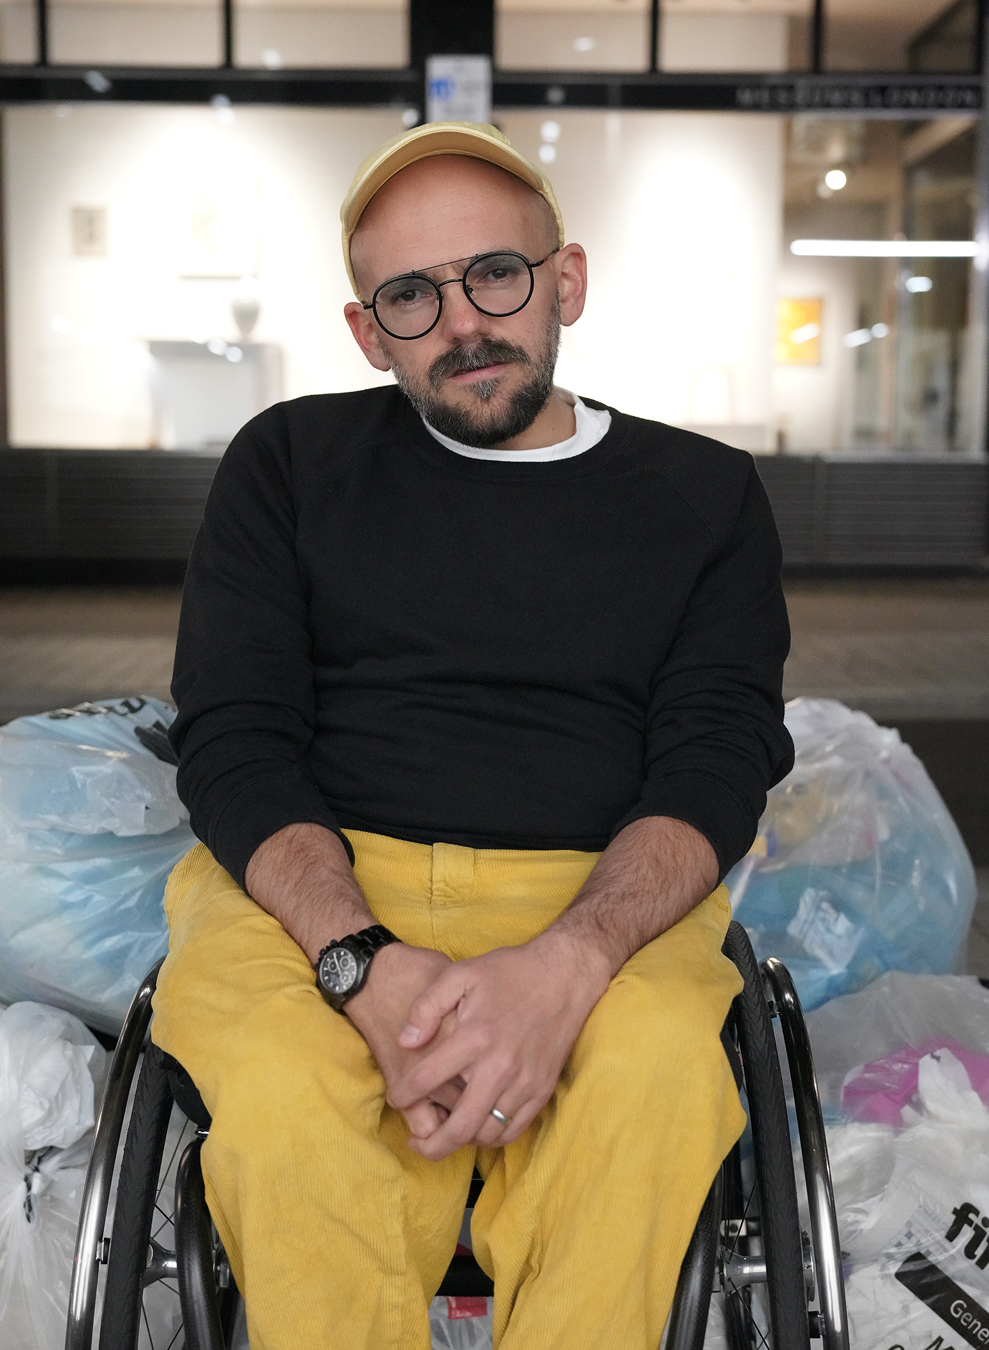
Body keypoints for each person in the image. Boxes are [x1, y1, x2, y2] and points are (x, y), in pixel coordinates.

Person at [153, 121, 793, 1350]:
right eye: (409, 294)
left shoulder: (703, 496)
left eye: (494, 273)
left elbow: (714, 758)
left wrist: (569, 964)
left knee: (651, 1075)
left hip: (599, 885)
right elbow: (233, 737)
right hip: (315, 880)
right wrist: (358, 961)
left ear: (566, 279)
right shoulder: (287, 463)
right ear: (363, 329)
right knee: (290, 1096)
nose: (462, 321)